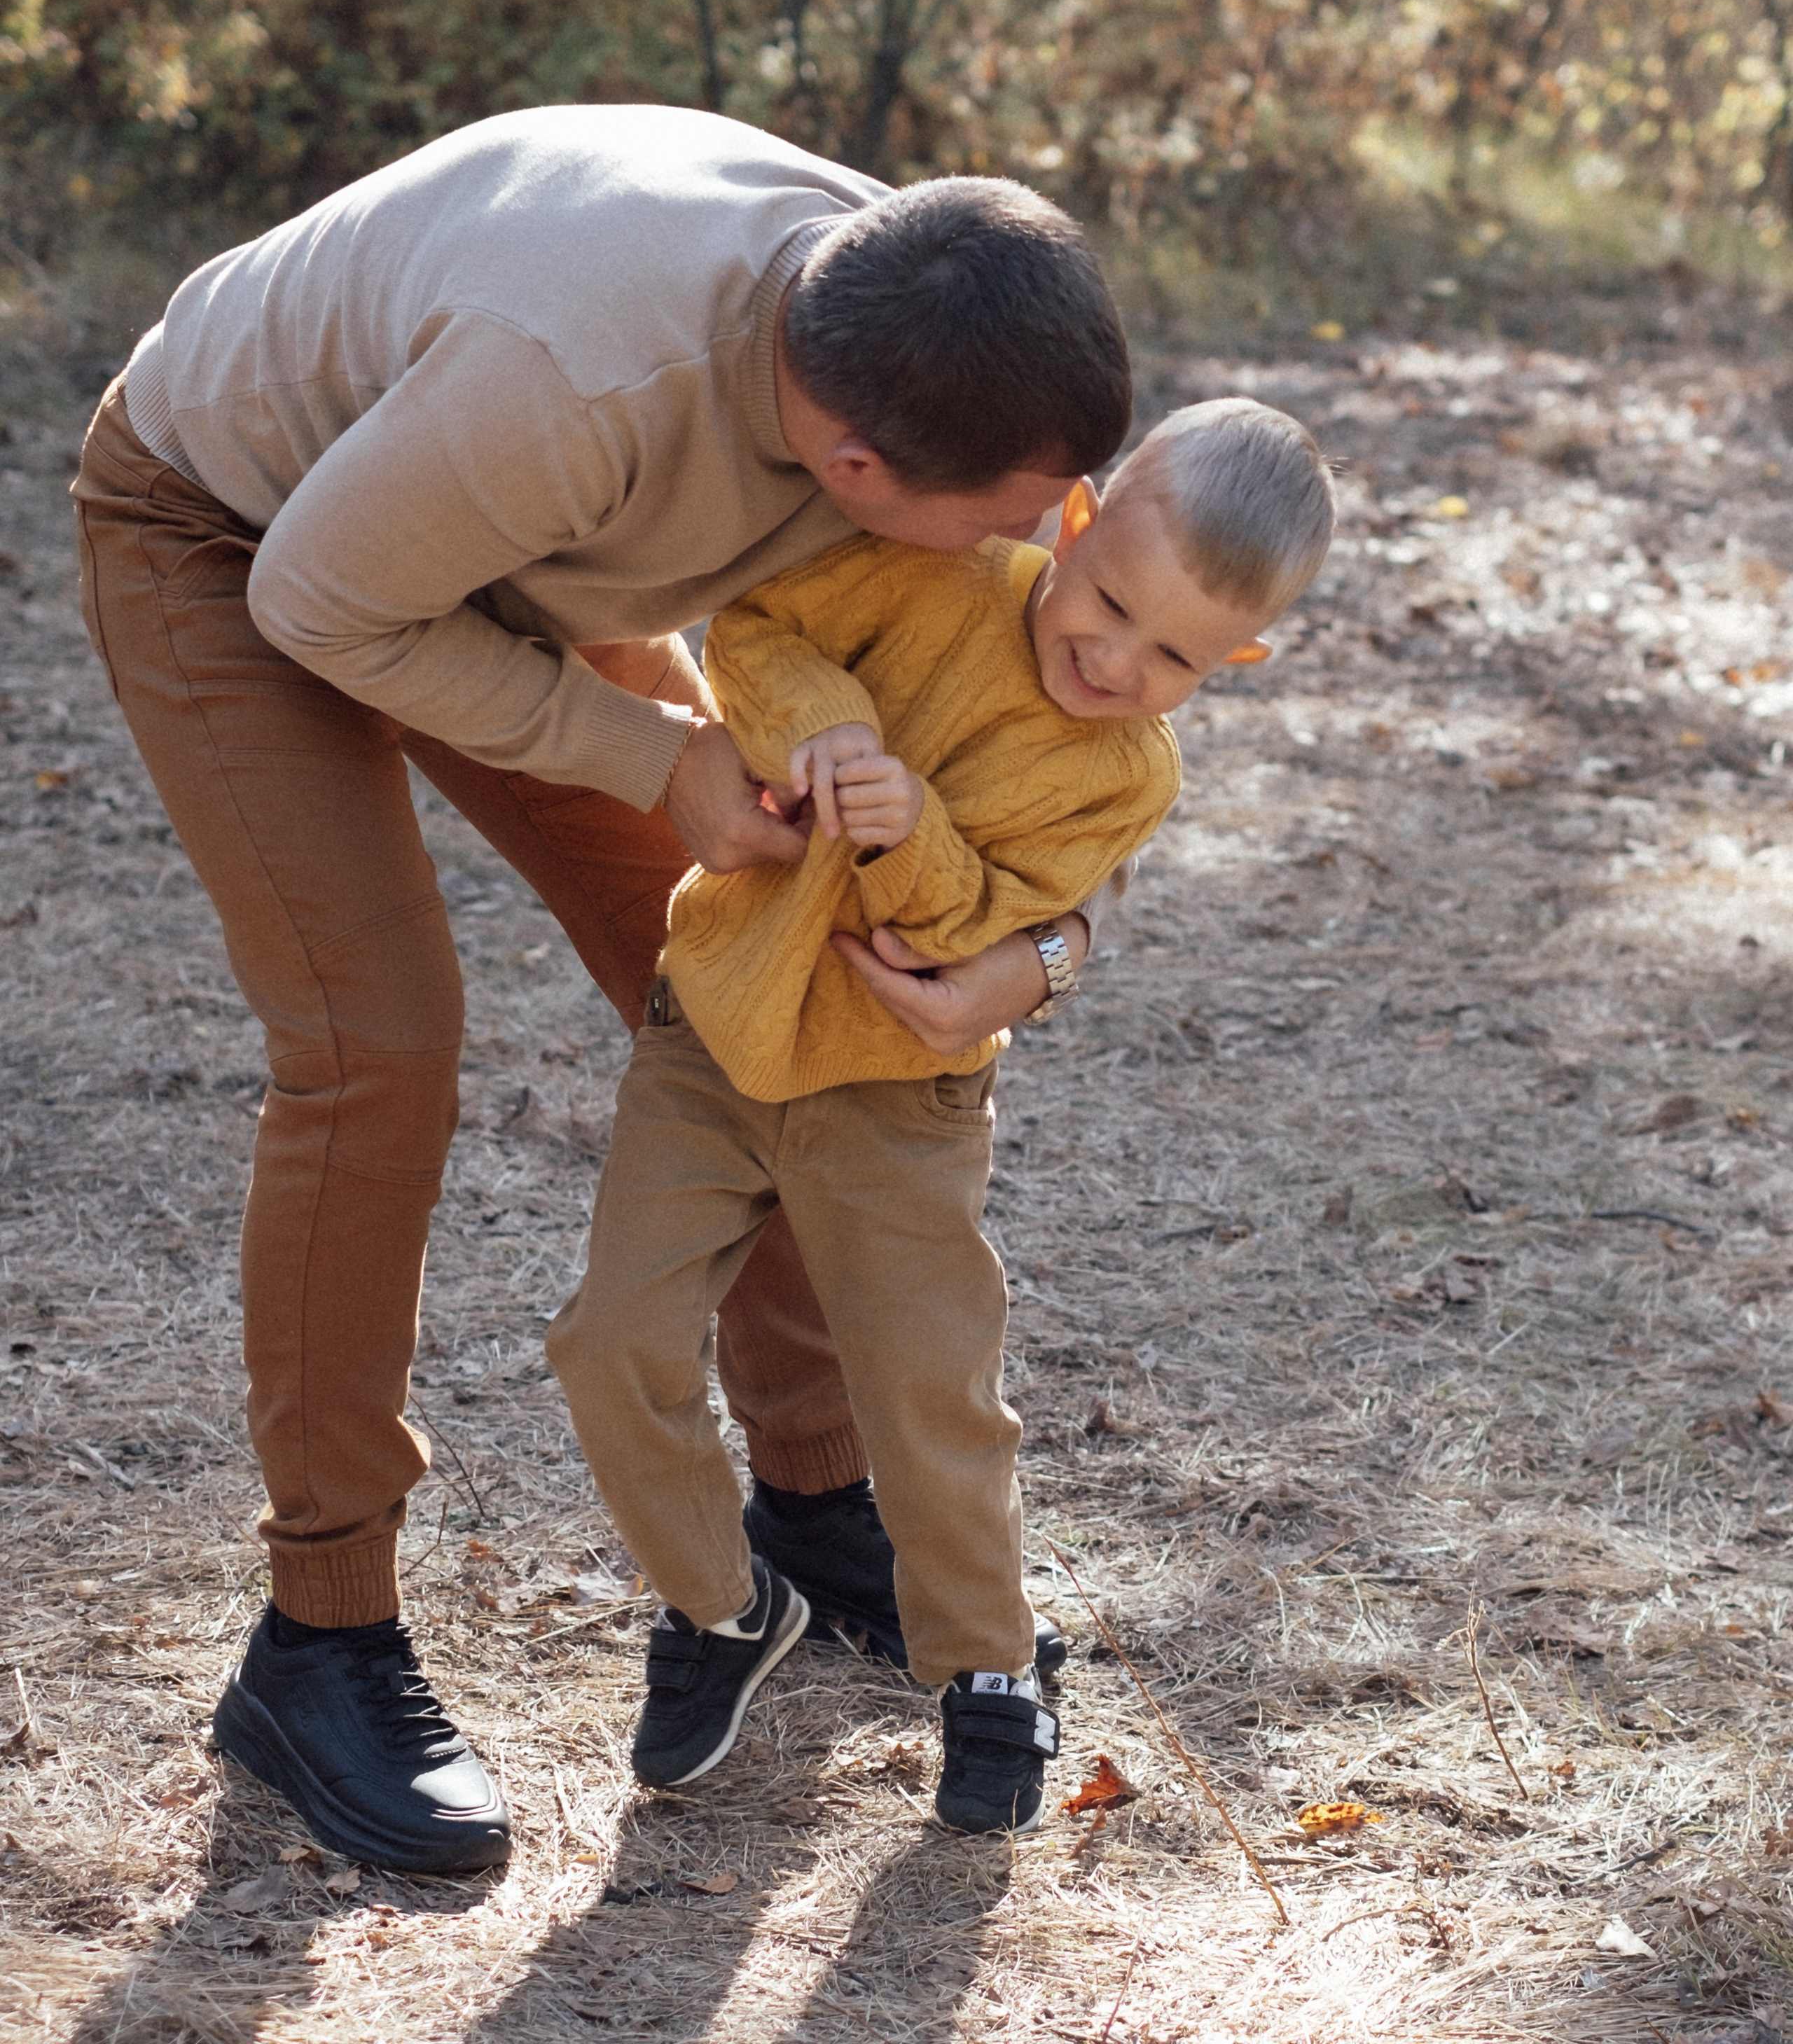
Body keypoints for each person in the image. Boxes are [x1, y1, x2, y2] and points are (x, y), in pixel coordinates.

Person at [70, 104, 1136, 1874]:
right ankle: (315, 1638)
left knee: (751, 982)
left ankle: (808, 1503)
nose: (1049, 547)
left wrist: (1041, 953)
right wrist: (650, 752)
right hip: (239, 533)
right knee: (377, 1046)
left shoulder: (910, 297)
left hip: (492, 538)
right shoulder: (582, 386)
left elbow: (1053, 745)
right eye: (1018, 523)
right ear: (851, 471)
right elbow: (322, 597)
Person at [548, 398, 1337, 1833]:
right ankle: (725, 1609)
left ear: (1238, 662)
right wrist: (829, 729)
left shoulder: (1123, 773)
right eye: (1104, 603)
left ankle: (984, 1669)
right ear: (1075, 524)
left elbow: (981, 926)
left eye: (1171, 656)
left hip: (894, 1096)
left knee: (927, 1394)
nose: (1109, 660)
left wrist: (906, 830)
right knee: (609, 1341)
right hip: (711, 1037)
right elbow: (750, 634)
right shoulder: (938, 576)